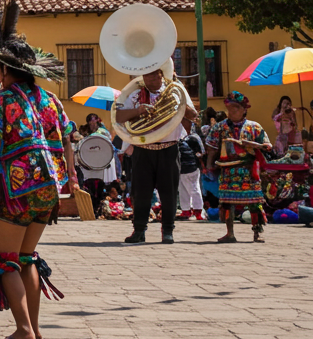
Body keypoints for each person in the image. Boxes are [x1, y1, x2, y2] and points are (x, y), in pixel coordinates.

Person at [0, 0, 76, 339]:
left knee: (5, 260)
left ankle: (23, 329)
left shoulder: (2, 99)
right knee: (26, 257)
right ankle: (35, 329)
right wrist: (69, 179)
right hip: (49, 189)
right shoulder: (50, 100)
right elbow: (68, 139)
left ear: (4, 69)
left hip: (18, 186)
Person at [115, 60, 198, 245]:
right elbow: (118, 117)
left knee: (169, 193)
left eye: (156, 73)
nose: (152, 77)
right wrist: (138, 110)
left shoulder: (175, 91)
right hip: (143, 150)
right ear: (143, 76)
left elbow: (193, 116)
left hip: (168, 149)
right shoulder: (135, 94)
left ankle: (168, 231)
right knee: (140, 192)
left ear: (162, 74)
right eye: (148, 73)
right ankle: (139, 230)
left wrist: (180, 105)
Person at [206, 91, 271, 243]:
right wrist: (209, 165)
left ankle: (257, 232)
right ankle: (230, 233)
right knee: (227, 203)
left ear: (244, 109)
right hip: (227, 169)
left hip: (249, 169)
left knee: (255, 202)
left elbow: (267, 146)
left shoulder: (254, 127)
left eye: (235, 107)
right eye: (229, 107)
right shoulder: (219, 127)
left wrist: (252, 144)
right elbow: (212, 147)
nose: (232, 110)